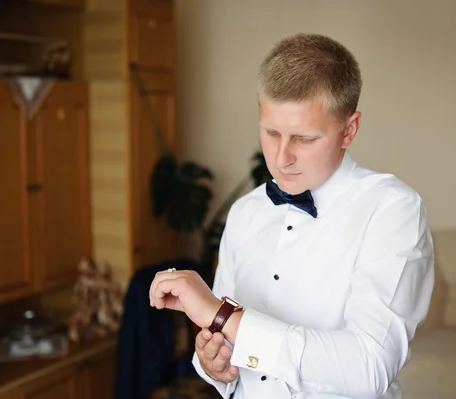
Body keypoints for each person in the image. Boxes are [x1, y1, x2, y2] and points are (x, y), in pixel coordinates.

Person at [149, 33, 435, 399]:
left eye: (304, 139)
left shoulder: (393, 211)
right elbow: (225, 346)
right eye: (271, 133)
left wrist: (220, 316)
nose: (281, 157)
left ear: (349, 130)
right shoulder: (244, 212)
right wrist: (215, 365)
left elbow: (370, 366)